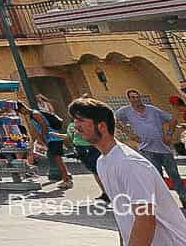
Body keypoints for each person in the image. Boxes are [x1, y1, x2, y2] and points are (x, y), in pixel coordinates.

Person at [73, 96, 186, 246]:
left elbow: (145, 219)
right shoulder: (103, 161)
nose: (75, 126)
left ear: (101, 126)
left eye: (81, 120)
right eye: (75, 120)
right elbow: (123, 215)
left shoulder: (129, 163)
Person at [119, 88, 186, 209]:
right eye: (133, 97)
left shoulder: (152, 110)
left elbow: (172, 119)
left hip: (163, 148)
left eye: (137, 96)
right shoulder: (125, 111)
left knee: (174, 175)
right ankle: (164, 205)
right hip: (147, 150)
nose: (136, 99)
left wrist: (169, 133)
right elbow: (114, 120)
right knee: (156, 178)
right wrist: (128, 133)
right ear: (129, 99)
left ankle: (184, 198)